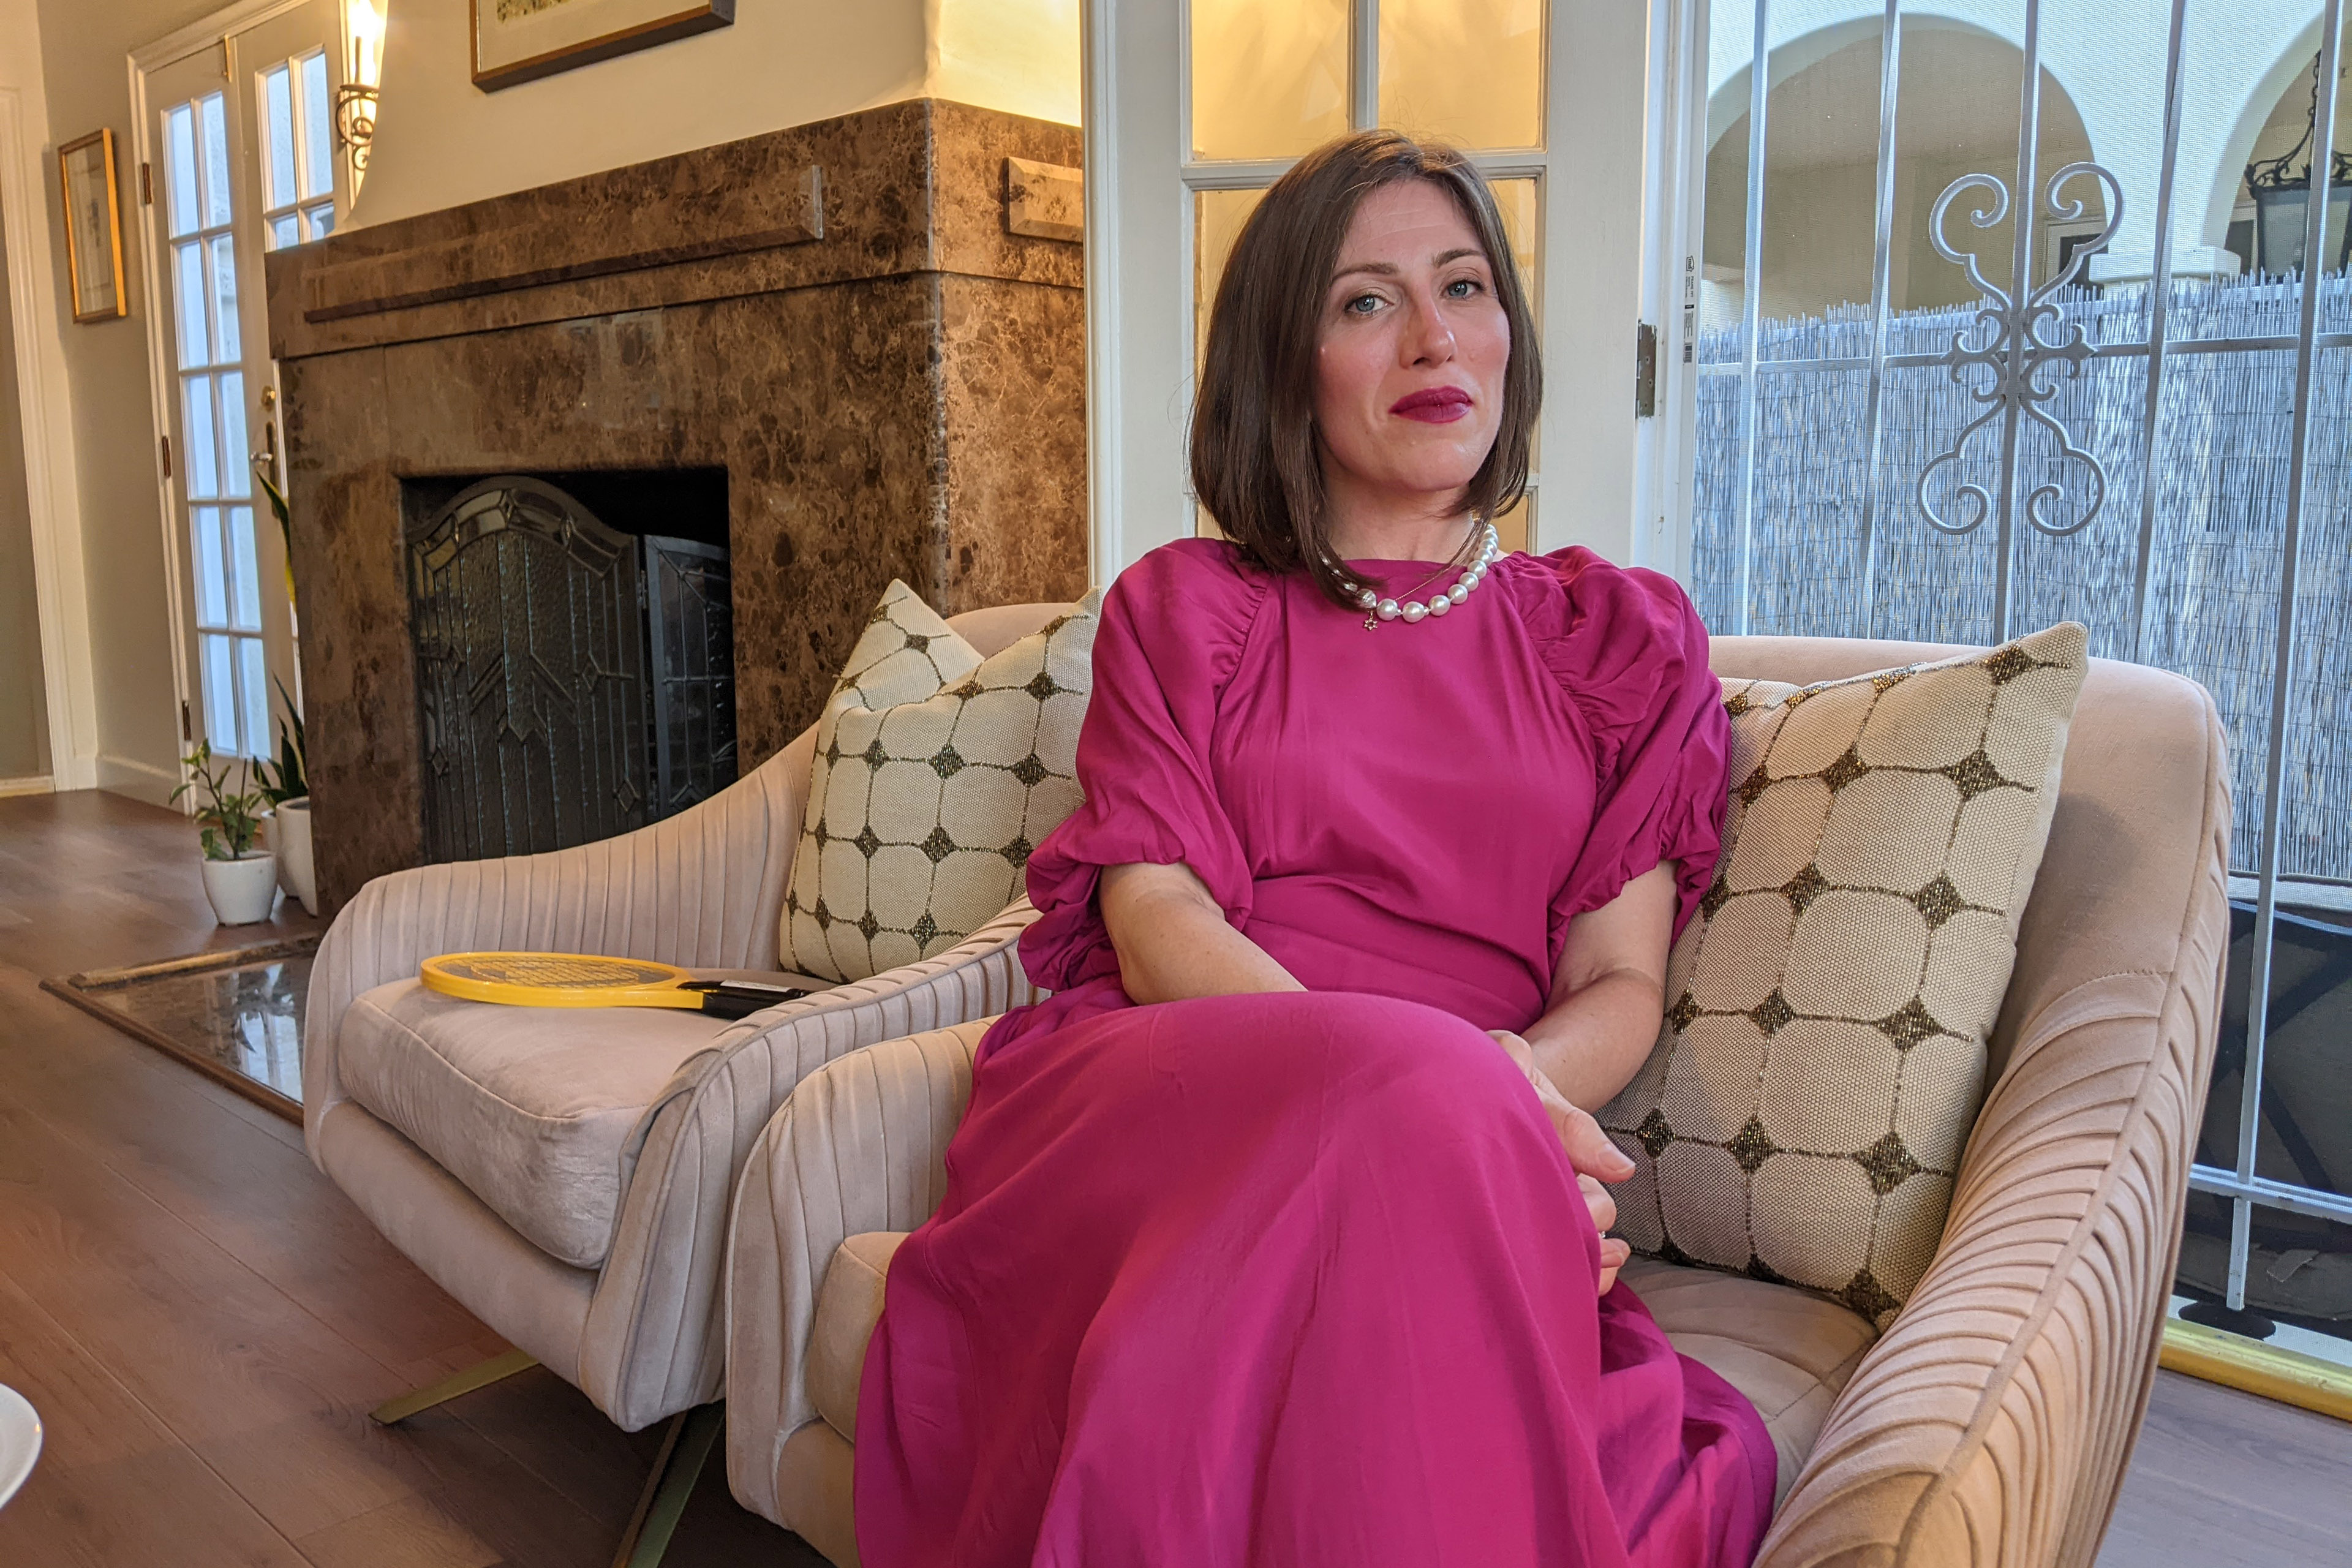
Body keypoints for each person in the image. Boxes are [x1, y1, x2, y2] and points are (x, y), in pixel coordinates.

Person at [854, 130, 1772, 1567]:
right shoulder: (1185, 607)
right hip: (1192, 1073)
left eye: (1464, 287)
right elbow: (1155, 916)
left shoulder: (1618, 640)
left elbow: (1620, 981)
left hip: (1475, 1115)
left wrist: (1477, 1107)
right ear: (1285, 361)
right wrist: (1421, 1092)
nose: (1433, 338)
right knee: (1411, 1136)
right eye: (1365, 301)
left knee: (1401, 1258)